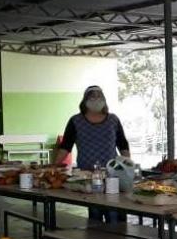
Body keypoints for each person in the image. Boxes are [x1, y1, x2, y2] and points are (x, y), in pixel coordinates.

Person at [55, 85, 130, 225]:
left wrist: (128, 167)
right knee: (95, 213)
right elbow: (65, 147)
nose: (96, 99)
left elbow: (122, 144)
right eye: (92, 96)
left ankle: (117, 237)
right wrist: (54, 167)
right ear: (85, 100)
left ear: (104, 99)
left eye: (99, 96)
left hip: (113, 174)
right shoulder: (75, 121)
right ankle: (97, 237)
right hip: (88, 176)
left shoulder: (113, 120)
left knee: (115, 213)